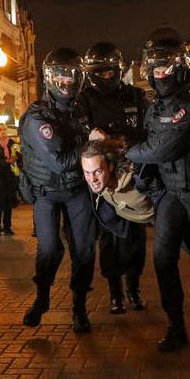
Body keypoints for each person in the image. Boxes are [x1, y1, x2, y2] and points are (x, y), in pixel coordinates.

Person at [124, 28, 190, 352]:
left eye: (165, 67)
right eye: (154, 69)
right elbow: (146, 143)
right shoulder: (153, 108)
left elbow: (160, 148)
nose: (159, 74)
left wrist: (120, 148)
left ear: (181, 68)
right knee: (163, 258)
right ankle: (176, 325)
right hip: (171, 194)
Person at [20, 48, 96, 333]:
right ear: (49, 79)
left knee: (85, 250)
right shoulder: (36, 117)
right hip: (47, 191)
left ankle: (80, 308)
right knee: (49, 248)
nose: (65, 83)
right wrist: (91, 140)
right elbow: (62, 162)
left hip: (77, 189)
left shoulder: (82, 111)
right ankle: (41, 299)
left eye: (71, 76)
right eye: (59, 76)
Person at [81, 42, 150, 311]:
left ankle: (133, 289)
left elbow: (146, 134)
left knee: (136, 237)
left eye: (111, 72)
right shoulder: (85, 100)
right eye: (102, 73)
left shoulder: (135, 96)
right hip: (103, 183)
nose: (107, 77)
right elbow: (83, 139)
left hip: (132, 177)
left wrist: (113, 141)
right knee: (109, 237)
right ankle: (115, 294)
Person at [0, 122, 18, 236]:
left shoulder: (11, 143)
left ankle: (7, 227)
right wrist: (6, 161)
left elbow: (18, 154)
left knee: (8, 203)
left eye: (4, 129)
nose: (2, 131)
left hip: (10, 177)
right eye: (0, 129)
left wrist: (17, 157)